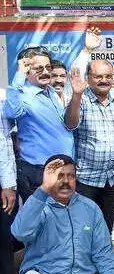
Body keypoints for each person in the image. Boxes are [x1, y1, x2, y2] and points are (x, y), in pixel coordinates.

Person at [12, 155, 114, 274]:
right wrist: (44, 189)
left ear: (76, 179)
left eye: (70, 176)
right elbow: (19, 233)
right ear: (48, 178)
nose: (65, 181)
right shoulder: (37, 203)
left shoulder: (90, 207)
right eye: (59, 176)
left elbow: (103, 251)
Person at [65, 60, 114, 230]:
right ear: (88, 78)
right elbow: (70, 124)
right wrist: (77, 96)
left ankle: (111, 256)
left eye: (108, 76)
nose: (104, 80)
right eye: (98, 76)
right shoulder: (80, 98)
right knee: (85, 226)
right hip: (87, 177)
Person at [5, 47, 73, 202]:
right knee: (39, 222)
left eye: (48, 67)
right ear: (27, 70)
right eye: (38, 68)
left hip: (61, 170)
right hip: (38, 173)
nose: (45, 72)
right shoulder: (21, 95)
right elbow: (10, 112)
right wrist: (19, 75)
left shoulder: (51, 92)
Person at [0, 87, 17, 274]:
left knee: (4, 238)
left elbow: (4, 144)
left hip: (2, 182)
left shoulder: (4, 96)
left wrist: (8, 184)